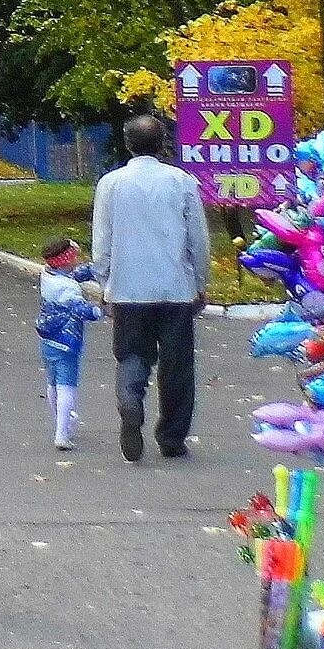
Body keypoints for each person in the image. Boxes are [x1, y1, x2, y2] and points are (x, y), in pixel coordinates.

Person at [91, 112, 209, 462]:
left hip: (128, 288)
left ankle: (130, 398)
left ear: (128, 145)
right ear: (162, 145)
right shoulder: (182, 182)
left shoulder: (110, 184)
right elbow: (197, 239)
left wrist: (105, 283)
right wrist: (200, 282)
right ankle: (171, 438)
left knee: (132, 354)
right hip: (175, 289)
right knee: (177, 367)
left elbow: (102, 241)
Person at [36, 236, 105, 451]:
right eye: (74, 257)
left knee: (52, 382)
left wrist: (95, 268)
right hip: (67, 341)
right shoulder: (67, 289)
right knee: (67, 385)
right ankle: (61, 433)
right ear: (65, 260)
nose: (76, 261)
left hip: (47, 338)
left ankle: (62, 420)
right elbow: (82, 310)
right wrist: (102, 310)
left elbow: (75, 274)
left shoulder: (48, 275)